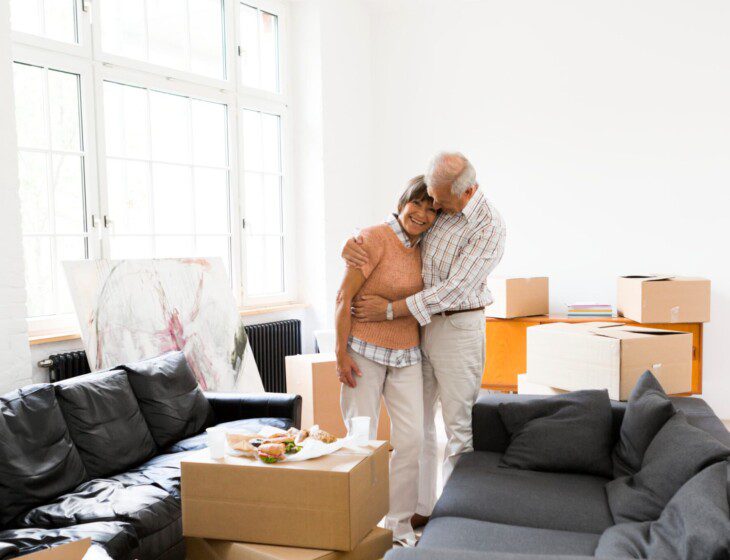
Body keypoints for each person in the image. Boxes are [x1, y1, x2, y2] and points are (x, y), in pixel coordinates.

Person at [342, 152, 506, 529]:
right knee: (419, 427)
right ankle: (422, 508)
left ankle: (455, 519)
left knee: (457, 427)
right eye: (430, 198)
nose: (433, 207)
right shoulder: (440, 207)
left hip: (456, 328)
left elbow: (452, 291)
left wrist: (388, 310)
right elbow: (397, 229)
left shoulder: (488, 226)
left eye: (439, 201)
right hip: (421, 328)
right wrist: (350, 243)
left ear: (465, 192)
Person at [335, 175, 438, 546]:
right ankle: (358, 525)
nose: (422, 215)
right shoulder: (374, 238)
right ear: (403, 201)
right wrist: (340, 353)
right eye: (417, 205)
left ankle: (398, 526)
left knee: (410, 440)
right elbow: (343, 298)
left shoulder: (425, 245)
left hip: (407, 353)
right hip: (363, 351)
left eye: (431, 209)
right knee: (360, 439)